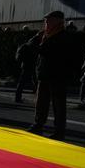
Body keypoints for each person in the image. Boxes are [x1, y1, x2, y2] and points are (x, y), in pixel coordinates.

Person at [28, 11, 71, 139]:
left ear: (58, 21)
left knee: (58, 104)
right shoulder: (45, 35)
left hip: (57, 75)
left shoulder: (63, 36)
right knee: (41, 101)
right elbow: (32, 46)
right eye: (46, 20)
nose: (46, 23)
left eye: (49, 20)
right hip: (44, 74)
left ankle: (59, 130)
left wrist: (40, 45)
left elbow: (50, 52)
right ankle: (38, 124)